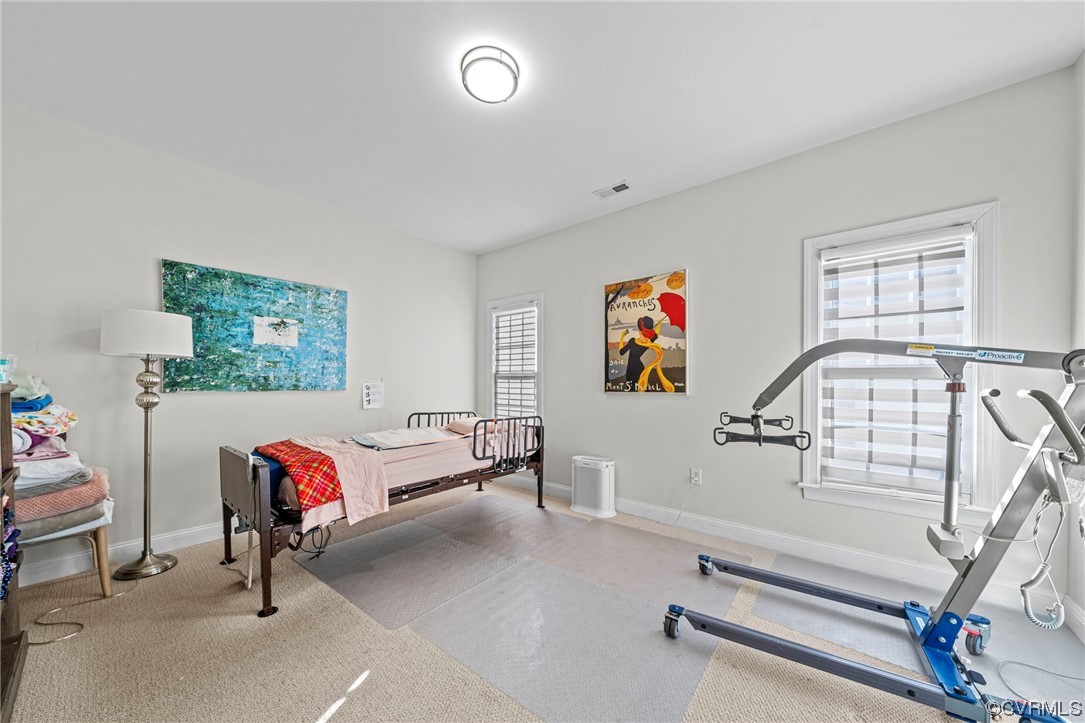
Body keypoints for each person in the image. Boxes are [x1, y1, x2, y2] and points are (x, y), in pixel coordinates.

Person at [619, 316, 675, 392]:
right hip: (640, 368)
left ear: (639, 329)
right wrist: (660, 324)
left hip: (631, 370)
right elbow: (656, 334)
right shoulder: (649, 342)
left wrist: (622, 336)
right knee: (643, 388)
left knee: (632, 390)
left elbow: (621, 352)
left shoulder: (632, 341)